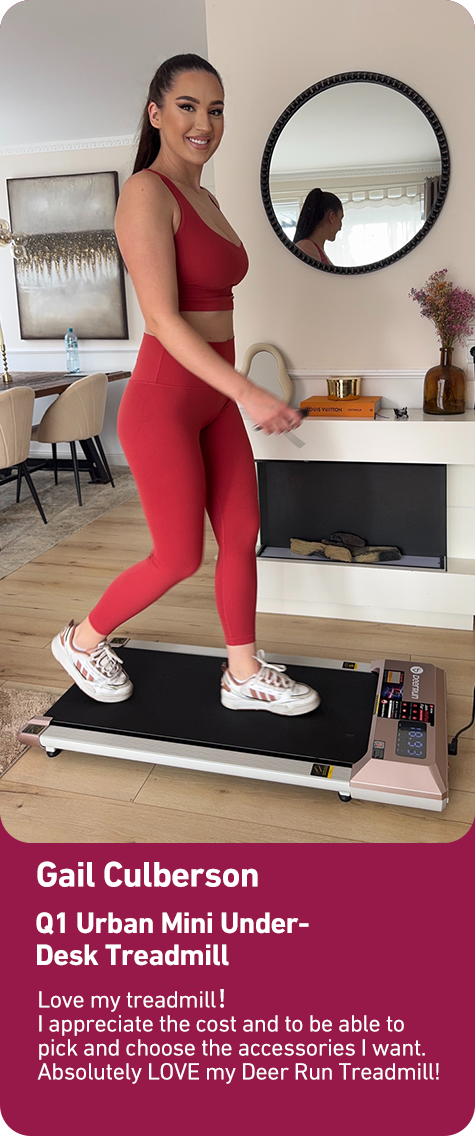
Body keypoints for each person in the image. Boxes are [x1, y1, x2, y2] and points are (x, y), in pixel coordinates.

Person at [51, 54, 319, 717]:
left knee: (242, 530)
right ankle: (80, 642)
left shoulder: (208, 198)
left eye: (216, 109)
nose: (205, 123)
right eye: (188, 106)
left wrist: (234, 393)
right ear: (156, 114)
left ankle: (242, 673)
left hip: (212, 398)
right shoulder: (146, 192)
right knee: (177, 558)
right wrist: (249, 391)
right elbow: (164, 321)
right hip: (164, 401)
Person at [293, 188, 343, 264]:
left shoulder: (312, 248)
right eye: (340, 219)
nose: (340, 227)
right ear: (332, 217)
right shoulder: (306, 247)